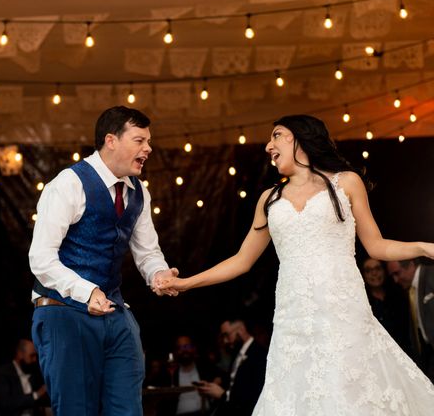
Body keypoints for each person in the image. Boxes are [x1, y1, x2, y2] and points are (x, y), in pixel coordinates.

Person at [157, 114, 434, 414]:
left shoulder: (346, 183)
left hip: (344, 316)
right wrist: (185, 282)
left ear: (299, 138)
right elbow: (241, 260)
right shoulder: (270, 199)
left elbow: (376, 245)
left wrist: (422, 247)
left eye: (276, 136)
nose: (268, 146)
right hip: (293, 323)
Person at [29, 106, 179, 416]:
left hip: (113, 312)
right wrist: (86, 291)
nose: (148, 149)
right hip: (64, 312)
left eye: (149, 141)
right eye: (140, 140)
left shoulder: (139, 192)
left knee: (127, 408)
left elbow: (148, 252)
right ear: (111, 140)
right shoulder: (68, 184)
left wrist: (159, 274)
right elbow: (41, 258)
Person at [196, 320, 267, 416]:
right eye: (223, 337)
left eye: (227, 335)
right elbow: (235, 380)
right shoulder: (237, 352)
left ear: (241, 330)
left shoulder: (260, 354)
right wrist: (212, 385)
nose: (225, 341)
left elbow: (253, 395)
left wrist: (222, 395)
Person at [387, 259, 434, 381]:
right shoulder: (411, 290)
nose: (396, 280)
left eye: (397, 273)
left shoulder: (431, 274)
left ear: (411, 265)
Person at [360, 257, 410, 352]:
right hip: (381, 353)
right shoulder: (362, 303)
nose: (374, 273)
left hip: (406, 350)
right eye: (368, 270)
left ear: (384, 271)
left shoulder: (398, 294)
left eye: (377, 268)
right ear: (363, 275)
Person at [0, 339, 48, 416]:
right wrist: (37, 394)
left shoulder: (32, 371)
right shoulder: (3, 373)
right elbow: (5, 403)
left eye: (36, 356)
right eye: (32, 355)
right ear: (20, 354)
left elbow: (41, 400)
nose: (35, 359)